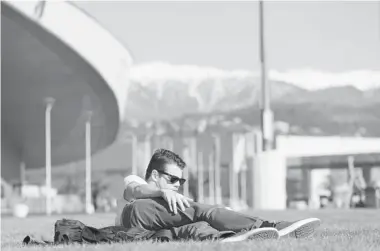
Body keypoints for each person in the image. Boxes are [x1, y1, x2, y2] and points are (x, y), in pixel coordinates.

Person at [115, 149, 321, 241]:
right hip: (134, 215)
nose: (177, 185)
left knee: (195, 228)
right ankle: (268, 226)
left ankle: (232, 237)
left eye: (181, 181)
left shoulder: (167, 199)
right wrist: (161, 191)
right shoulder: (136, 182)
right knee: (198, 210)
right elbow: (134, 191)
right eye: (172, 179)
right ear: (154, 174)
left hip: (145, 233)